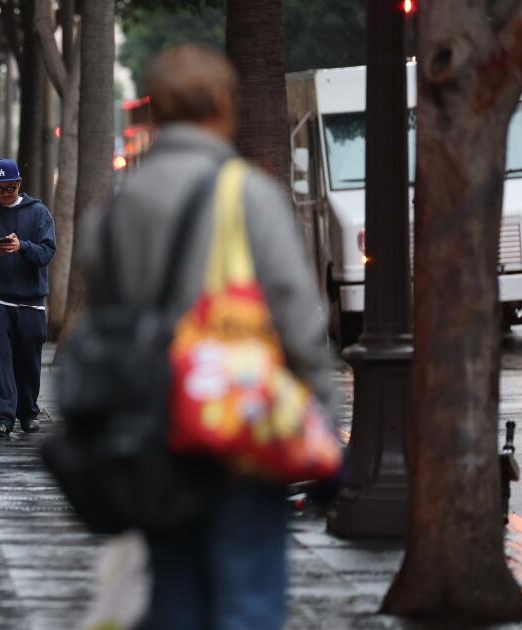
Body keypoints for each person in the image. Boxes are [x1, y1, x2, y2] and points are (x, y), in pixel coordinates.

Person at [85, 45, 335, 629]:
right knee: (247, 597)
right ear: (225, 104)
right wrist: (320, 422)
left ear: (154, 113)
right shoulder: (248, 194)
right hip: (238, 430)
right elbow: (298, 319)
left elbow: (106, 323)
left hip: (154, 435)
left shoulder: (117, 210)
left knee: (172, 597)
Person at [0, 159, 57, 437]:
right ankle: (2, 416)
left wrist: (22, 247)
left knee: (29, 359)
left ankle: (27, 411)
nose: (5, 193)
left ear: (19, 184)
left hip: (30, 299)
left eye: (10, 187)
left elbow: (47, 252)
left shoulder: (39, 213)